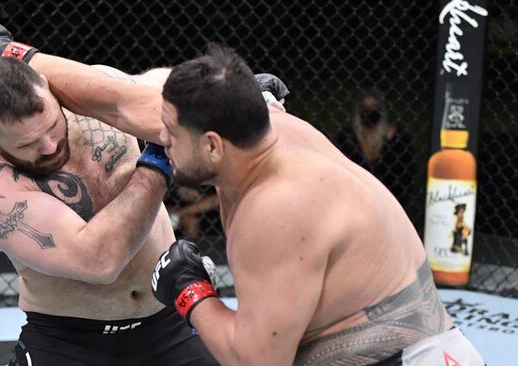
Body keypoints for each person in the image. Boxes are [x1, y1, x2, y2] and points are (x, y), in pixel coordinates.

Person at [147, 45, 485, 365]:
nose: (161, 139)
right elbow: (120, 101)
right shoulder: (277, 139)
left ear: (212, 146)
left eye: (171, 131)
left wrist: (189, 290)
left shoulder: (276, 208)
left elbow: (258, 361)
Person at [0, 22, 219, 365]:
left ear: (48, 89)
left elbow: (162, 90)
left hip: (170, 320)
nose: (49, 146)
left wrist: (246, 96)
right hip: (69, 339)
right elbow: (99, 260)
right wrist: (158, 160)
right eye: (27, 144)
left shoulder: (91, 101)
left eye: (50, 126)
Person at [334, 88, 416, 210]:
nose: (370, 112)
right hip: (354, 202)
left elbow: (407, 178)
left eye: (374, 107)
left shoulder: (398, 139)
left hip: (390, 202)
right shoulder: (347, 139)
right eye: (365, 107)